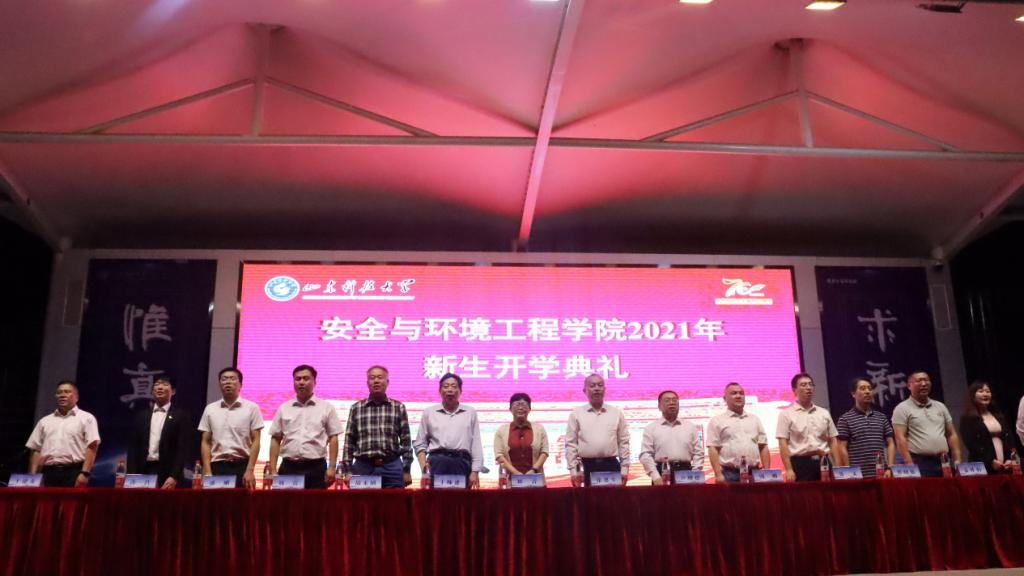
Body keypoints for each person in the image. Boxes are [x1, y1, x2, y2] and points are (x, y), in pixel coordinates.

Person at [267, 365, 342, 489]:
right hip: (289, 467)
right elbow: (276, 439)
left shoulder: (326, 407)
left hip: (316, 467)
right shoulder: (284, 408)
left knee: (316, 502)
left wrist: (332, 467)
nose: (301, 382)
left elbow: (333, 438)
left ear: (314, 382)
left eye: (306, 378)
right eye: (298, 379)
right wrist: (273, 469)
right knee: (286, 502)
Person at [341, 365, 413, 488]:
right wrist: (347, 470)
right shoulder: (356, 408)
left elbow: (406, 441)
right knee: (361, 501)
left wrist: (406, 470)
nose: (376, 381)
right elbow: (349, 441)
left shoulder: (398, 407)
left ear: (387, 382)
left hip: (392, 467)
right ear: (367, 383)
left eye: (380, 377)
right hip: (363, 466)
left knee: (396, 500)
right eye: (372, 378)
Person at [197, 367, 264, 488]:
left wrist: (250, 469)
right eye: (224, 379)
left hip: (242, 466)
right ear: (219, 384)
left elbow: (256, 440)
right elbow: (205, 442)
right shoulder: (210, 409)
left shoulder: (252, 408)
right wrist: (207, 471)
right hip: (217, 466)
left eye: (232, 379)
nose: (228, 382)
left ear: (240, 384)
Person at [414, 373, 483, 488]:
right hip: (437, 464)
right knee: (436, 499)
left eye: (454, 386)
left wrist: (475, 471)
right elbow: (420, 443)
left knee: (461, 499)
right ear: (439, 391)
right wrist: (424, 470)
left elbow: (476, 444)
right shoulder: (429, 412)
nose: (450, 389)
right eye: (446, 386)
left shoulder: (470, 412)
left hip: (462, 463)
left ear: (460, 391)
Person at [26, 381, 100, 487]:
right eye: (59, 392)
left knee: (72, 499)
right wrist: (33, 476)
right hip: (47, 472)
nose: (62, 395)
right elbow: (36, 449)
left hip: (74, 472)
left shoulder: (87, 418)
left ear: (76, 397)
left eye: (67, 392)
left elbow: (92, 446)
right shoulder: (44, 421)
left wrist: (85, 473)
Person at [126, 376, 193, 489]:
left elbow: (182, 449)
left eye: (165, 384)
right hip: (143, 470)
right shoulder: (141, 416)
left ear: (173, 391)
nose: (160, 387)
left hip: (168, 472)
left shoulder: (181, 416)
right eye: (157, 385)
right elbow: (133, 448)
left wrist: (174, 476)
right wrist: (132, 475)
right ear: (152, 391)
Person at [565, 373, 631, 487]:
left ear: (604, 389)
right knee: (589, 499)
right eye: (592, 386)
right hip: (587, 466)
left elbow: (623, 442)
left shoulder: (616, 413)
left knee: (614, 498)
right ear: (584, 390)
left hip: (611, 465)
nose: (596, 388)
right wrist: (573, 471)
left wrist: (624, 469)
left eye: (600, 385)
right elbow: (571, 444)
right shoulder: (576, 414)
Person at [892, 371, 962, 478]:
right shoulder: (902, 408)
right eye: (919, 381)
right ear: (909, 386)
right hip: (919, 462)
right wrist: (909, 464)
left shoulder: (940, 406)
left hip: (944, 460)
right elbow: (900, 438)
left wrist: (957, 460)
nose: (924, 384)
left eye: (926, 380)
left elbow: (951, 434)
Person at [776, 373, 839, 482]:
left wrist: (837, 466)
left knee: (827, 492)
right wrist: (789, 469)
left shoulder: (824, 413)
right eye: (803, 385)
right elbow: (783, 443)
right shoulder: (786, 414)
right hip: (800, 464)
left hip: (823, 461)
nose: (808, 387)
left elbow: (833, 440)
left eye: (810, 384)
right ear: (794, 390)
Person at [707, 382, 769, 483]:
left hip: (755, 473)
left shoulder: (754, 419)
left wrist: (767, 471)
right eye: (734, 393)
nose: (738, 396)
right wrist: (718, 474)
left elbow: (763, 446)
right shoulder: (717, 421)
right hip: (729, 474)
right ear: (725, 398)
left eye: (741, 393)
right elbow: (713, 448)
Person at [835, 377, 895, 479]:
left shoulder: (881, 417)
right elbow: (842, 447)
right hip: (858, 476)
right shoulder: (845, 419)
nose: (867, 391)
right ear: (853, 394)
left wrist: (889, 468)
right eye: (862, 388)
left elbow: (890, 444)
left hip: (882, 474)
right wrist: (849, 471)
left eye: (869, 389)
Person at [639, 390, 703, 484]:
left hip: (686, 472)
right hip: (661, 473)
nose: (672, 403)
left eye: (674, 400)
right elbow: (646, 455)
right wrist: (655, 477)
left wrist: (695, 473)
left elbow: (698, 452)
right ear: (659, 406)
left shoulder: (690, 427)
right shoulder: (651, 428)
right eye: (667, 400)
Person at [959, 380, 1013, 475]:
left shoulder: (998, 416)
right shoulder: (968, 418)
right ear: (973, 396)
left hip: (1005, 466)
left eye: (988, 391)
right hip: (982, 467)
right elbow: (972, 444)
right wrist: (990, 461)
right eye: (981, 391)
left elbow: (1009, 438)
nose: (985, 394)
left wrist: (1009, 458)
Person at [494, 392, 549, 477]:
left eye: (524, 405)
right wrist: (515, 473)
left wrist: (534, 469)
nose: (520, 408)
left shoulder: (539, 429)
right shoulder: (501, 430)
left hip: (535, 478)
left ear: (529, 409)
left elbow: (544, 452)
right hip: (511, 479)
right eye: (516, 405)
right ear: (510, 409)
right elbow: (499, 455)